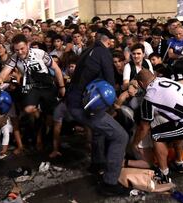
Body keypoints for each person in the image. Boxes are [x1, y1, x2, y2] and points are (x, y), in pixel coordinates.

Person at [66, 28, 129, 196]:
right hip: (84, 106)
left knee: (99, 130)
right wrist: (115, 103)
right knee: (120, 136)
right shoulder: (104, 53)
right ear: (107, 40)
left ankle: (97, 163)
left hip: (73, 102)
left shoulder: (87, 51)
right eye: (111, 41)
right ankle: (109, 183)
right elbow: (109, 83)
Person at [132, 69, 183, 182]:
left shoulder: (149, 97)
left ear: (141, 84)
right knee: (176, 126)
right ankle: (178, 162)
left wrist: (135, 143)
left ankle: (163, 172)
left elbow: (144, 127)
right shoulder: (164, 80)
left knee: (156, 135)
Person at [0, 34, 65, 150]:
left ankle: (51, 141)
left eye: (22, 48)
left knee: (51, 118)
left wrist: (61, 87)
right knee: (28, 109)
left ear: (28, 45)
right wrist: (0, 78)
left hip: (46, 84)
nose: (20, 52)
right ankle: (39, 115)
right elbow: (5, 71)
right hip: (31, 86)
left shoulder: (39, 53)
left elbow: (56, 69)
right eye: (17, 50)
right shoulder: (14, 58)